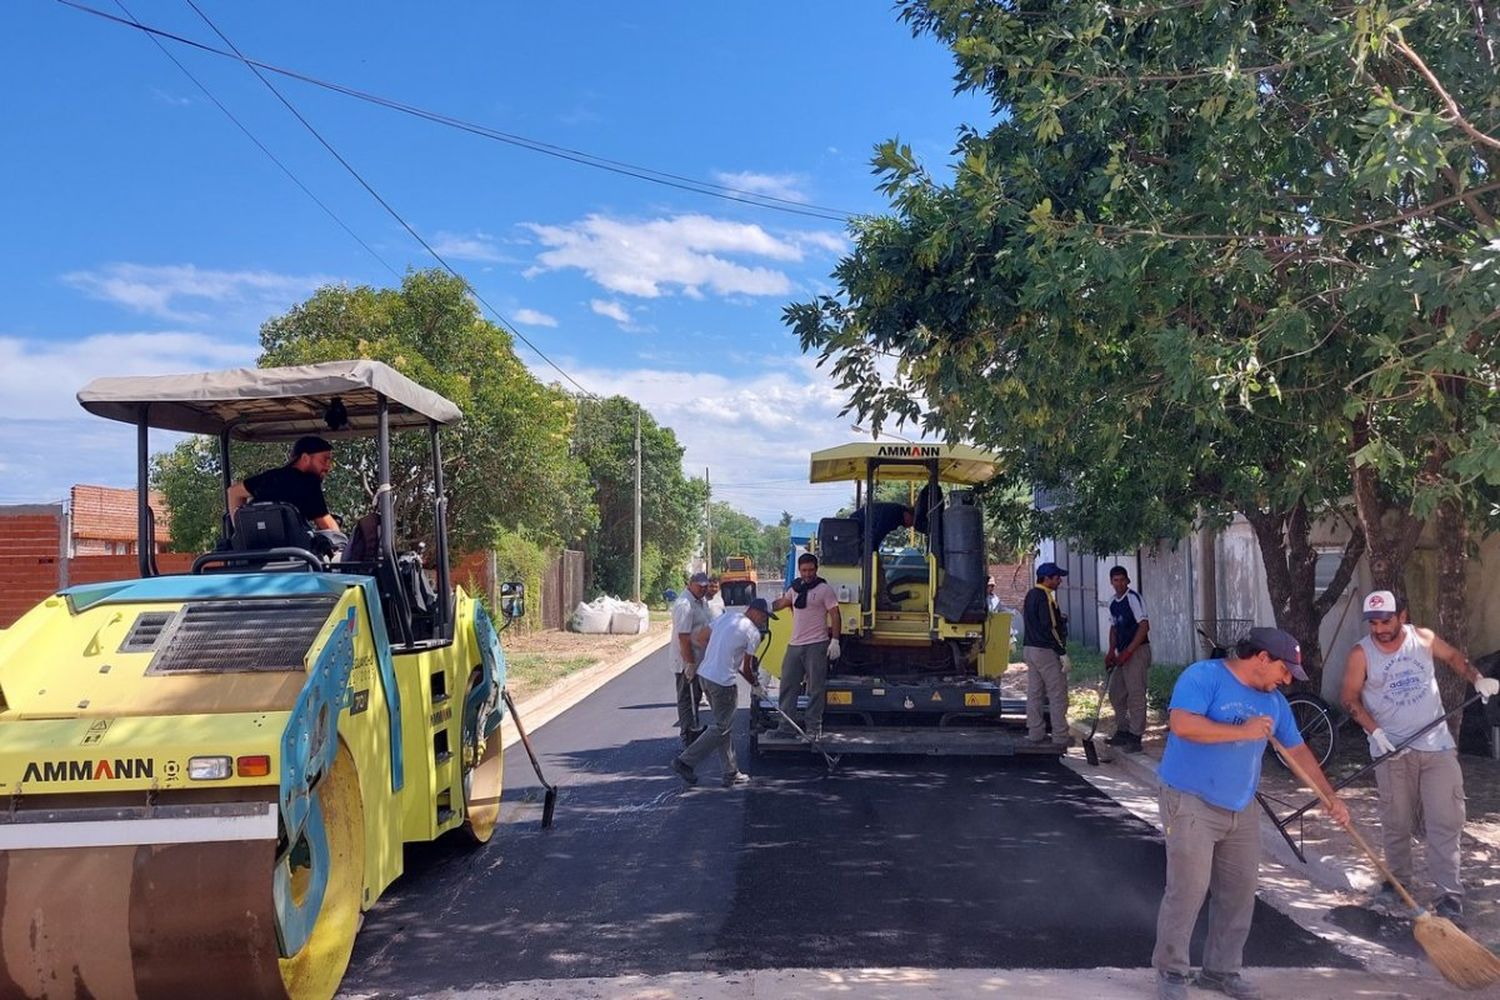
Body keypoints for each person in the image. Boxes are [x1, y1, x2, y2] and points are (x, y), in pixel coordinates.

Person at [1153, 627, 1349, 1000]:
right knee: (1188, 891)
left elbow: (1298, 751)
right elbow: (1182, 725)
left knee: (1239, 894)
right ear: (1261, 658)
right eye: (1284, 669)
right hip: (1190, 800)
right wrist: (1240, 731)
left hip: (1241, 806)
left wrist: (1328, 795)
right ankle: (1171, 973)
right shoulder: (1203, 676)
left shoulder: (1274, 702)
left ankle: (1220, 972)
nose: (1287, 679)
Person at [1339, 590, 1498, 922]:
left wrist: (1477, 679)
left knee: (1445, 821)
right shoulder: (1361, 654)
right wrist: (1375, 732)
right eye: (1374, 623)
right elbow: (1350, 698)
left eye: (1386, 621)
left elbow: (1455, 658)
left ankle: (1449, 895)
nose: (1380, 629)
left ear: (1402, 616)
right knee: (1396, 822)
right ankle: (1396, 885)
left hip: (1437, 747)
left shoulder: (1422, 638)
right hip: (1391, 752)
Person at [671, 597, 774, 788]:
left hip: (705, 676)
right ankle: (685, 761)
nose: (763, 621)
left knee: (723, 726)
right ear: (756, 612)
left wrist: (718, 654)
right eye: (764, 617)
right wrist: (756, 685)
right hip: (722, 683)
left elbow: (701, 637)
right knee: (722, 727)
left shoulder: (727, 618)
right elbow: (747, 667)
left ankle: (730, 772)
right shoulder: (752, 633)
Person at [770, 553, 841, 739]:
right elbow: (783, 603)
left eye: (810, 570)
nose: (807, 574)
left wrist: (835, 640)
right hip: (795, 644)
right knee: (787, 686)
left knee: (815, 688)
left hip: (817, 644)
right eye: (804, 570)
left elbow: (835, 614)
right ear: (799, 571)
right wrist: (765, 606)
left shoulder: (825, 589)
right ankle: (785, 727)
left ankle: (813, 729)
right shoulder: (795, 589)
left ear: (816, 569)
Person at [227, 435, 339, 531]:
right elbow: (327, 525)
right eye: (324, 460)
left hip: (256, 552)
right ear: (305, 458)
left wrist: (241, 531)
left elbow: (234, 492)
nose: (328, 466)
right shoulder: (309, 482)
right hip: (294, 553)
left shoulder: (271, 477)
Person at [1022, 561, 1071, 747]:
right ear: (1047, 578)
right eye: (1057, 577)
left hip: (1030, 648)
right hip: (1045, 651)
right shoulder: (1045, 596)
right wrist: (1062, 652)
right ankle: (1060, 736)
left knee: (1035, 692)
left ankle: (1035, 732)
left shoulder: (1030, 594)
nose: (1060, 581)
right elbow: (1049, 627)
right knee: (1057, 693)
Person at [1104, 566, 1151, 753]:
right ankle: (1122, 729)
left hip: (1137, 651)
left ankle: (1135, 735)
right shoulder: (1112, 602)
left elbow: (1144, 626)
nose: (1119, 584)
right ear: (1111, 582)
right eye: (1116, 580)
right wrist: (1111, 651)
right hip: (1122, 652)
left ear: (1128, 581)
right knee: (1116, 693)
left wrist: (1130, 651)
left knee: (1136, 693)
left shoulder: (1133, 598)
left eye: (1122, 580)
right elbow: (1114, 628)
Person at [670, 572, 715, 746]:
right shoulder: (684, 605)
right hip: (686, 660)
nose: (703, 590)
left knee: (695, 697)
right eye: (700, 586)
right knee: (686, 700)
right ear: (690, 584)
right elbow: (683, 637)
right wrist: (689, 663)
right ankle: (687, 736)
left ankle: (693, 731)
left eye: (705, 587)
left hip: (700, 660)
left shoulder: (701, 601)